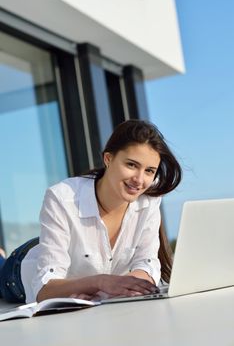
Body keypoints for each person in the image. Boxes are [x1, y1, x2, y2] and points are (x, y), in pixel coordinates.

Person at [0, 119, 182, 304]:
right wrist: (100, 283)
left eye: (149, 171)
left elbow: (147, 264)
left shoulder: (149, 201)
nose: (139, 179)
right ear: (108, 159)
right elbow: (43, 288)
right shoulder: (62, 197)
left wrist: (113, 289)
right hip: (22, 269)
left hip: (67, 252)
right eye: (131, 165)